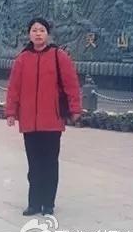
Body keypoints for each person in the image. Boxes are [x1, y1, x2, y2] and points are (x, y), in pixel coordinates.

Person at [5, 18, 82, 216]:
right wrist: (11, 112)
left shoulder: (59, 56)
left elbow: (71, 84)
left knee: (50, 163)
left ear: (47, 34)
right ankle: (34, 203)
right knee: (34, 164)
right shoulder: (22, 59)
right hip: (29, 122)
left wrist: (75, 109)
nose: (38, 33)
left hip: (52, 121)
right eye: (34, 30)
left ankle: (48, 203)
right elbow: (14, 87)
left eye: (41, 30)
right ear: (29, 34)